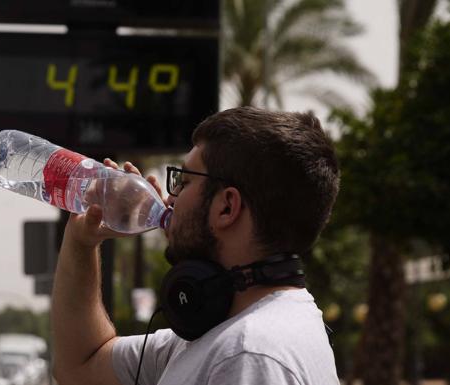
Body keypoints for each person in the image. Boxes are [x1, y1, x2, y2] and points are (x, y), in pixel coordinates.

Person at [51, 106, 341, 385]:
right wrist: (82, 241)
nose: (170, 196)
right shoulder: (233, 332)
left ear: (227, 207)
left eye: (184, 181)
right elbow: (80, 367)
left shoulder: (247, 353)